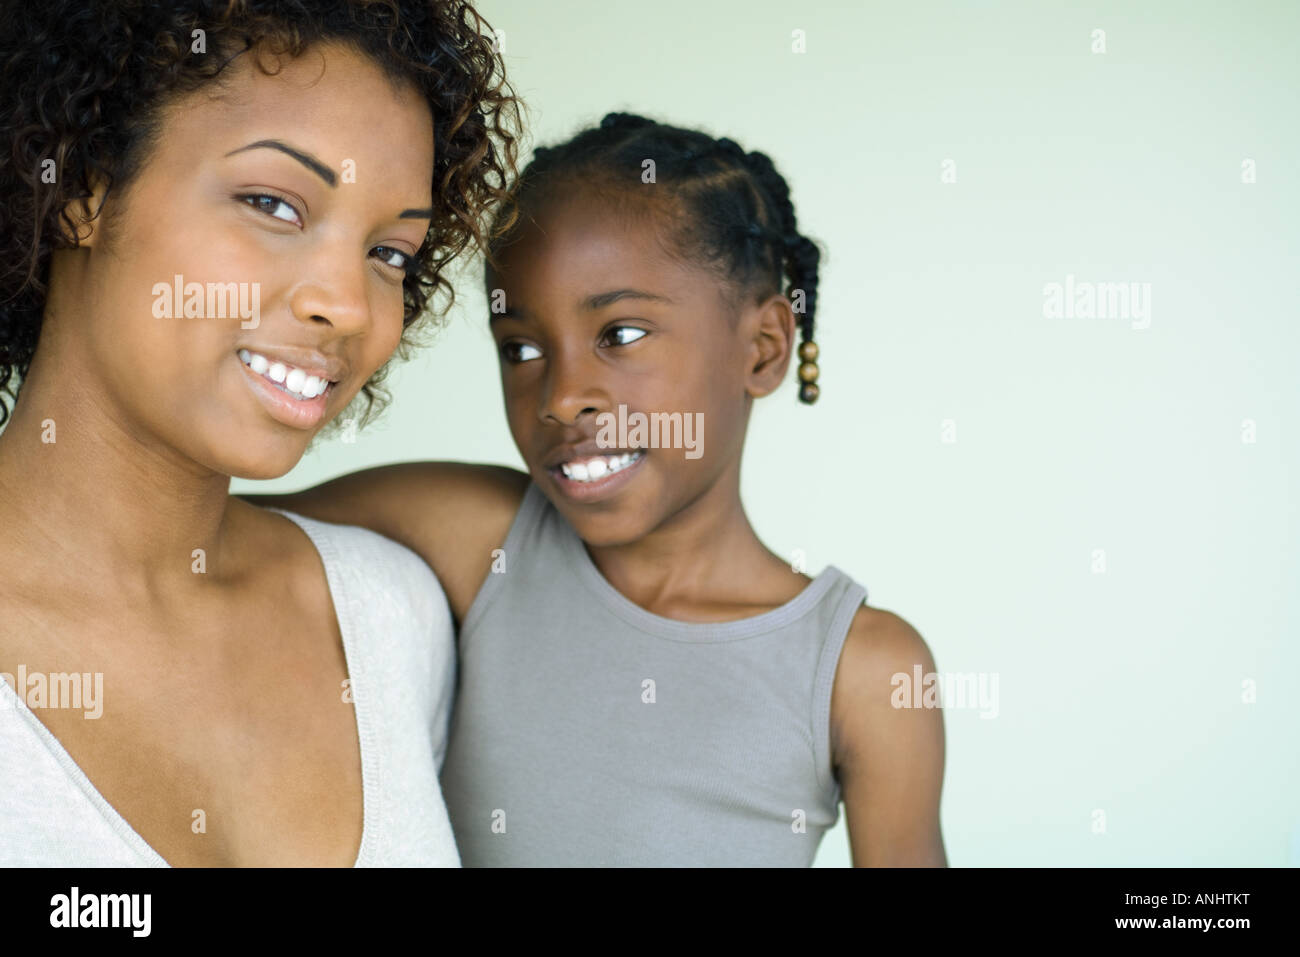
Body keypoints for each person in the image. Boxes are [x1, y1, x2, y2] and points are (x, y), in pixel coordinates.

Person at [255, 113, 947, 866]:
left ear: (764, 347)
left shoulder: (862, 668)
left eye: (619, 335)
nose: (561, 396)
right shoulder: (480, 537)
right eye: (520, 347)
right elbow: (185, 538)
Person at [0, 0, 520, 867]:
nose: (348, 306)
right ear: (81, 186)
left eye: (390, 253)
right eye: (274, 204)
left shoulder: (392, 621)